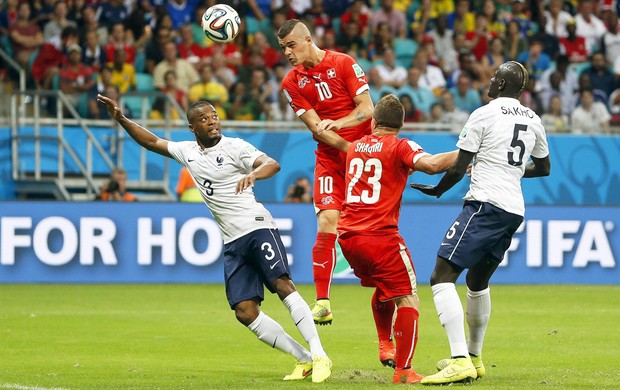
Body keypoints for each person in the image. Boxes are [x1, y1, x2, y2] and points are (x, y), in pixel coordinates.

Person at [96, 95, 332, 383]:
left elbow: (272, 163)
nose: (212, 121)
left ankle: (320, 355)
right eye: (205, 119)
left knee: (283, 285)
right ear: (193, 127)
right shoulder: (187, 151)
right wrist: (121, 118)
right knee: (245, 312)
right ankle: (303, 358)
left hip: (257, 227)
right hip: (232, 241)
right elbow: (152, 142)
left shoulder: (235, 147)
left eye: (215, 116)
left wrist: (254, 175)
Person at [410, 61, 551, 385]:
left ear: (501, 84)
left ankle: (459, 359)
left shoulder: (484, 114)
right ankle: (474, 357)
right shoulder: (533, 119)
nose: (488, 81)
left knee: (441, 275)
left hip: (485, 204)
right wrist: (511, 168)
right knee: (477, 281)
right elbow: (543, 168)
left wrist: (437, 191)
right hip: (513, 209)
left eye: (493, 77)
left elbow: (458, 168)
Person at [333, 94, 458, 382]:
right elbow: (433, 165)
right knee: (409, 300)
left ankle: (385, 343)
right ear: (401, 125)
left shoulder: (357, 147)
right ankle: (404, 371)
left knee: (385, 286)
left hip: (348, 237)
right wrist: (468, 152)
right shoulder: (400, 145)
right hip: (380, 237)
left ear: (374, 122)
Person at [277, 19, 374, 325]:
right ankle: (322, 301)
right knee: (327, 220)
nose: (288, 53)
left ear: (308, 39)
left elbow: (367, 108)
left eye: (292, 45)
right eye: (283, 48)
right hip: (332, 158)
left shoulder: (343, 63)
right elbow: (318, 129)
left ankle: (388, 288)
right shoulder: (291, 83)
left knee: (370, 233)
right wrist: (347, 147)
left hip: (366, 158)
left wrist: (343, 126)